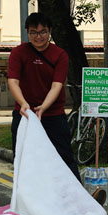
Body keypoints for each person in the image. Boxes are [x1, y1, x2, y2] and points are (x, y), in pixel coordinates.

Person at [8, 12, 79, 180]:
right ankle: (26, 200)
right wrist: (24, 104)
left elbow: (57, 85)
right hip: (24, 114)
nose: (38, 37)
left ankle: (77, 198)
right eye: (34, 32)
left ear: (50, 31)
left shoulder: (60, 54)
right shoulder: (18, 53)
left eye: (43, 32)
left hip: (53, 115)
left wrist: (44, 107)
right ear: (27, 32)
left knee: (64, 157)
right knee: (22, 158)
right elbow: (13, 82)